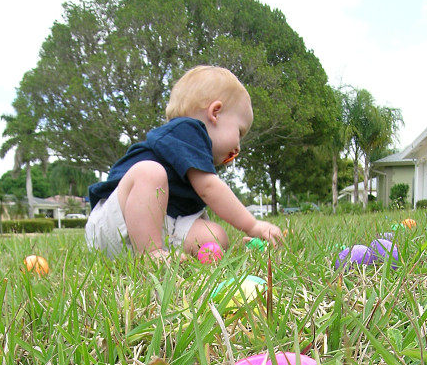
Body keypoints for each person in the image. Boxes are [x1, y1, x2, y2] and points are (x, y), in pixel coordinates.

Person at [85, 65, 283, 260]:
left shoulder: (194, 158)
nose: (238, 146)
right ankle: (150, 255)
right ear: (215, 112)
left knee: (214, 236)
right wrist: (253, 225)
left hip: (161, 226)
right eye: (239, 132)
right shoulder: (188, 129)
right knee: (150, 172)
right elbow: (210, 189)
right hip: (116, 224)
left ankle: (159, 251)